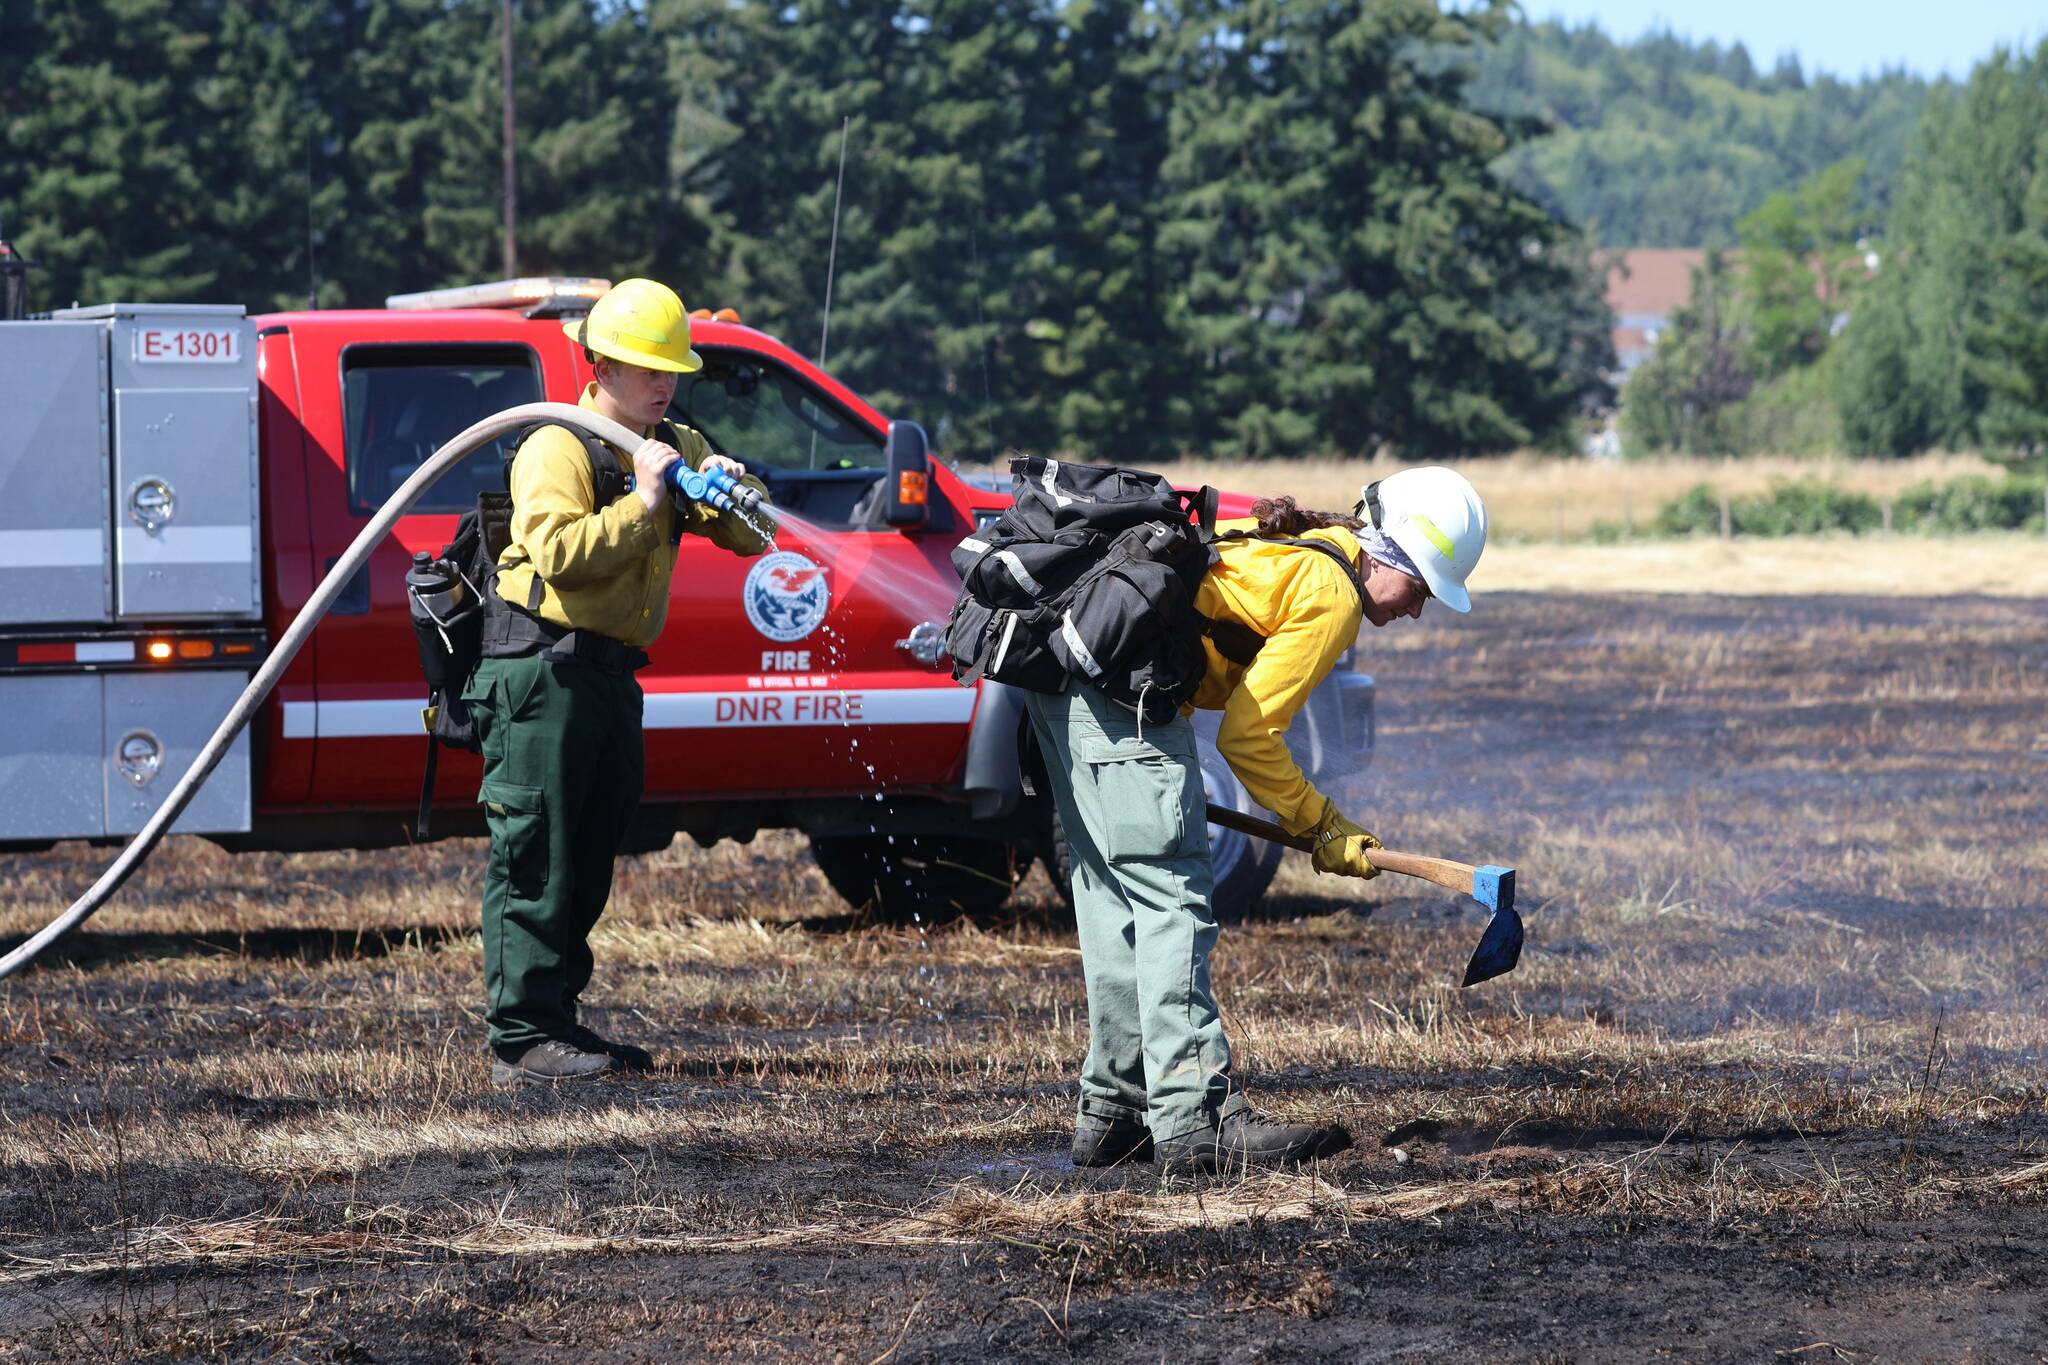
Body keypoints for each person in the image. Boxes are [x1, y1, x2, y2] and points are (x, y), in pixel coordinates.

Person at [1024, 466, 1487, 1172]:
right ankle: (1195, 1114)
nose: (1417, 609)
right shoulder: (1333, 593)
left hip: (1066, 689)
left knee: (1116, 902)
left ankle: (1117, 1110)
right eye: (1422, 588)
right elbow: (1249, 737)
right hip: (1128, 698)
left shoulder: (1315, 547)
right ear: (1393, 555)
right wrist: (1324, 826)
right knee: (1172, 899)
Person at [466, 277, 771, 1087]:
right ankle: (522, 1037)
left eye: (671, 368)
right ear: (599, 363)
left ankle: (557, 1021)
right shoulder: (558, 445)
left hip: (605, 677)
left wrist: (735, 492)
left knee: (588, 852)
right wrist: (645, 500)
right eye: (644, 367)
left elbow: (751, 535)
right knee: (538, 853)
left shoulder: (676, 442)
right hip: (540, 674)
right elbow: (557, 553)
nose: (662, 382)